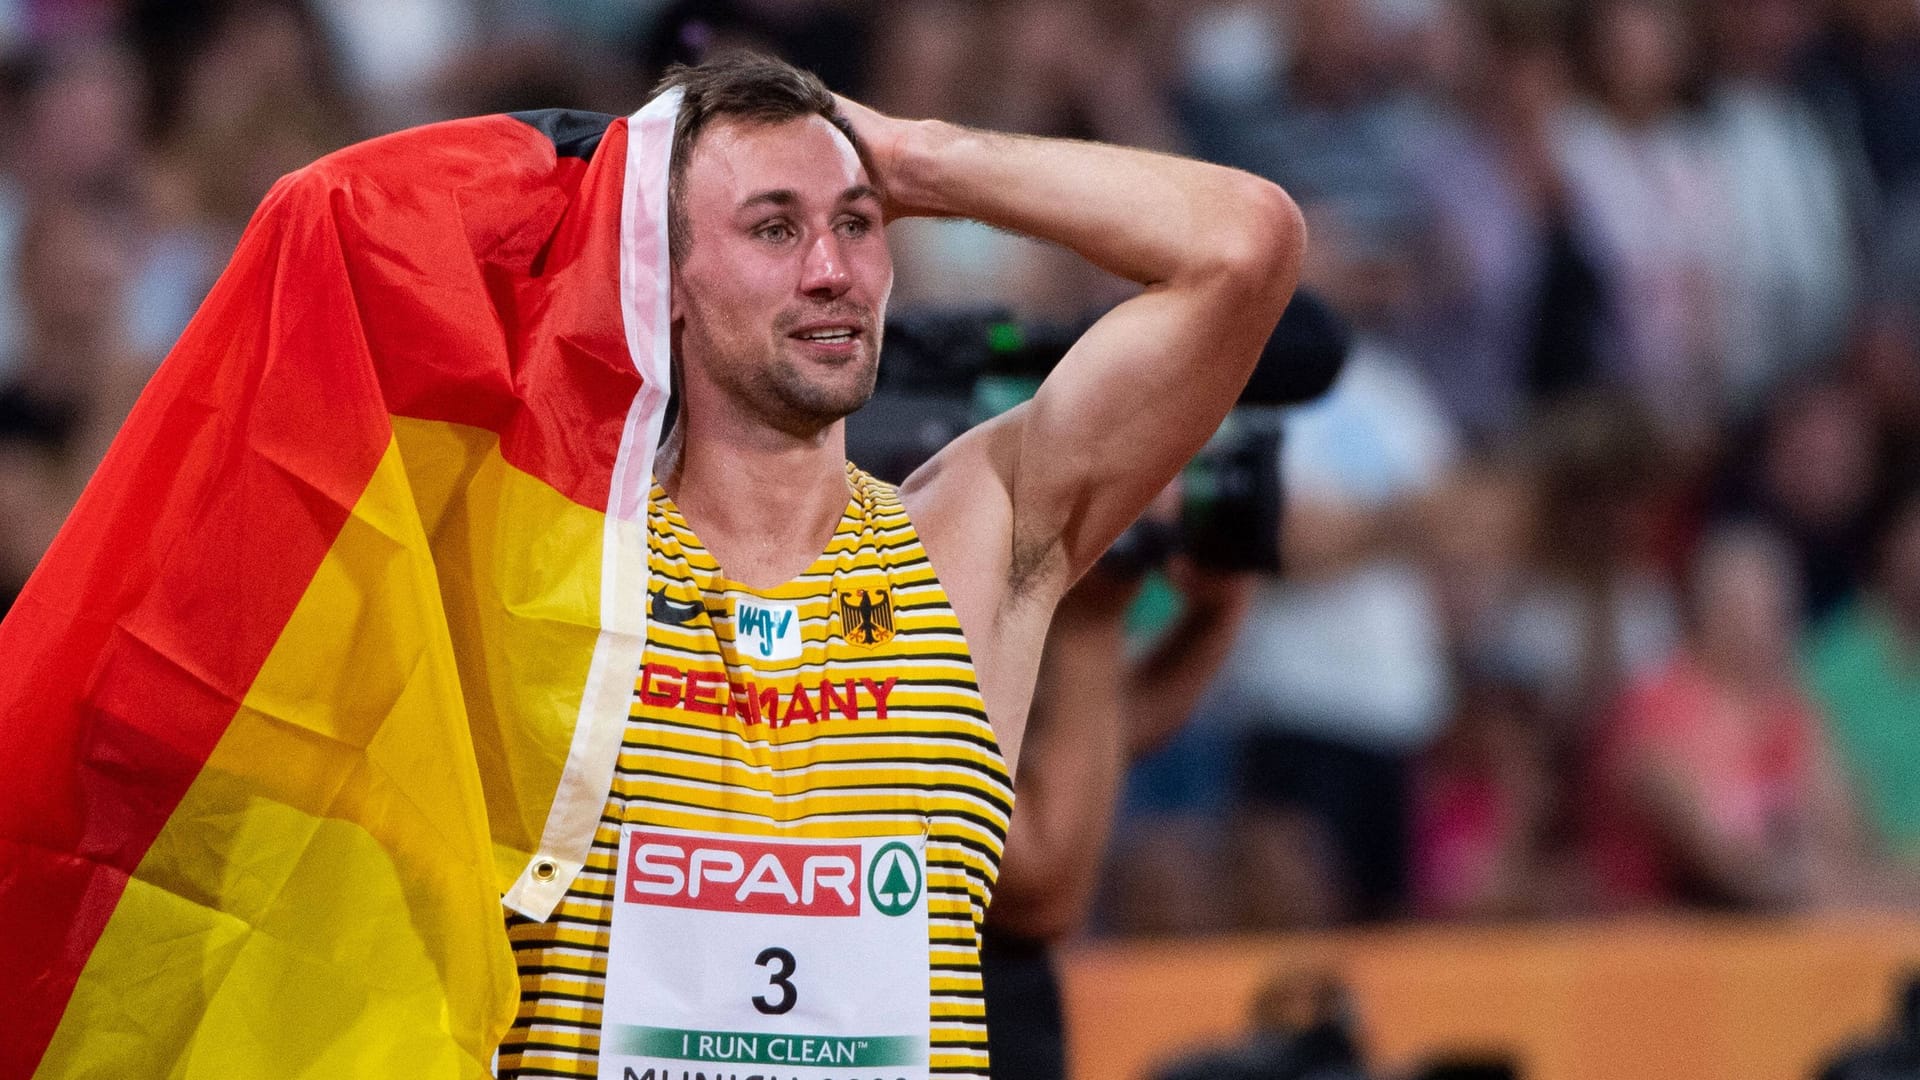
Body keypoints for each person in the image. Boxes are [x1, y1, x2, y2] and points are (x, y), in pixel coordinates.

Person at [498, 52, 1305, 1080]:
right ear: (663, 273)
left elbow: (1245, 246)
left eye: (856, 223)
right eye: (775, 227)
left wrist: (920, 157)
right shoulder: (546, 557)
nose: (830, 269)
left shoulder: (971, 540)